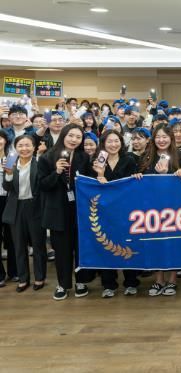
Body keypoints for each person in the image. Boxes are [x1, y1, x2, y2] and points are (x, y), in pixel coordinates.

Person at [37, 124, 96, 300]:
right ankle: (63, 284)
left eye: (78, 137)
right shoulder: (47, 157)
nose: (74, 140)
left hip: (79, 210)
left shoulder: (84, 157)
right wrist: (56, 172)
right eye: (71, 135)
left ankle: (81, 281)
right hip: (57, 210)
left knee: (80, 247)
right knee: (62, 250)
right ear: (63, 135)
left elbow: (89, 181)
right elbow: (42, 185)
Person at [88, 130, 139, 297]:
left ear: (121, 142)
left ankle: (131, 282)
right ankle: (108, 284)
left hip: (126, 211)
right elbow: (91, 187)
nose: (113, 144)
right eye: (109, 141)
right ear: (103, 143)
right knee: (106, 245)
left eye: (116, 141)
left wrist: (137, 176)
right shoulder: (96, 161)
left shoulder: (129, 159)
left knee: (127, 244)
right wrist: (100, 175)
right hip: (103, 211)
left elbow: (132, 185)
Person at [138, 124, 181, 297]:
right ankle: (159, 280)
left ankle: (173, 279)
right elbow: (140, 182)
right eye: (158, 136)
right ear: (153, 139)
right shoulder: (145, 157)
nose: (161, 140)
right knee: (155, 243)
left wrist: (179, 174)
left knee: (172, 243)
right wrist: (138, 176)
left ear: (171, 138)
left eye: (165, 136)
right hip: (152, 208)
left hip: (174, 209)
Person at [2, 134, 47, 292]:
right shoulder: (11, 162)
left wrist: (41, 156)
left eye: (28, 145)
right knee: (19, 245)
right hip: (16, 208)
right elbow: (7, 187)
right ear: (15, 148)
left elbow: (42, 183)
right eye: (20, 145)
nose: (24, 148)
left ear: (34, 147)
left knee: (38, 245)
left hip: (35, 207)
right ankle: (23, 278)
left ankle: (40, 277)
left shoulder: (39, 162)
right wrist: (8, 173)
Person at [0, 130, 18, 286]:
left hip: (9, 199)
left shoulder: (12, 156)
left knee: (12, 236)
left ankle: (15, 271)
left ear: (5, 140)